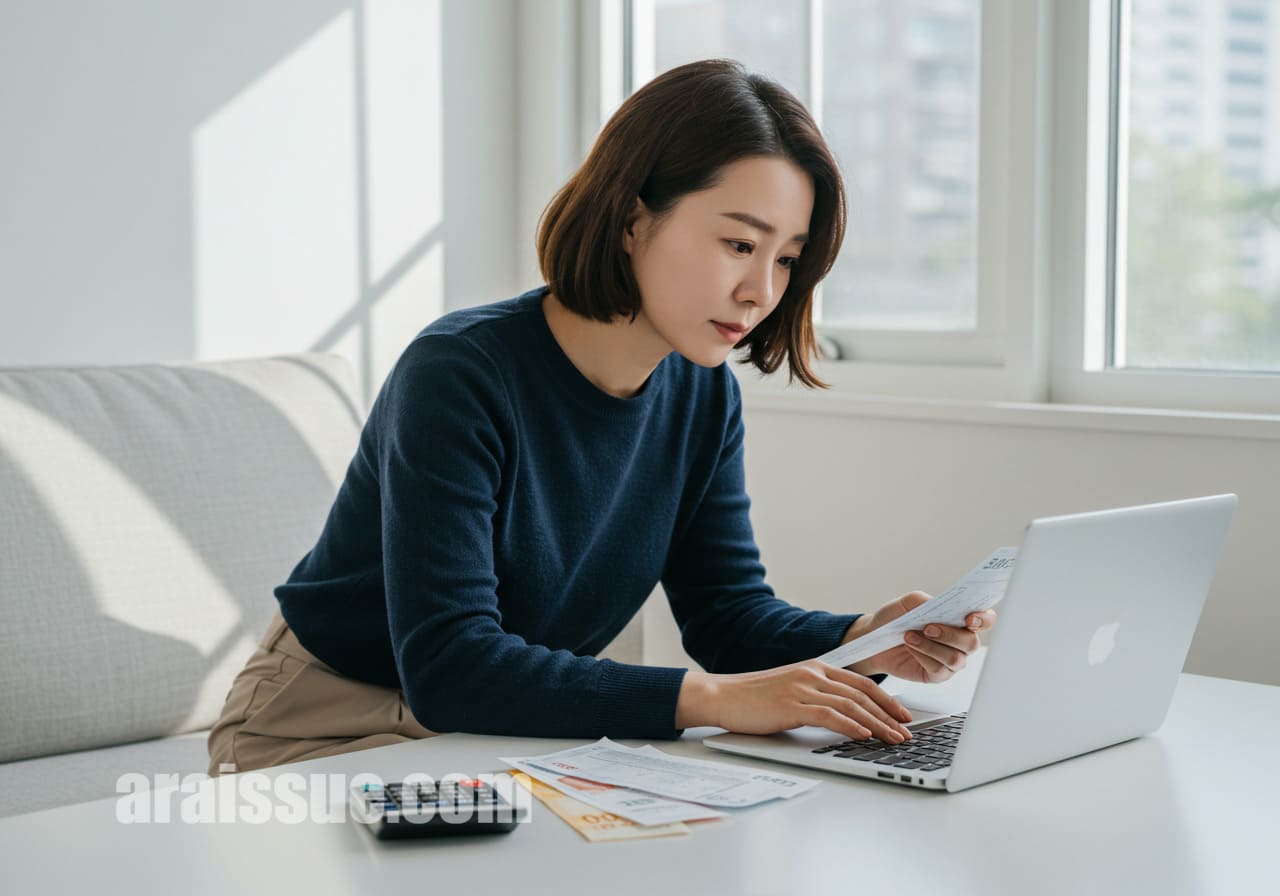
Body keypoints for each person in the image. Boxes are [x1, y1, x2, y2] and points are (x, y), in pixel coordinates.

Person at [207, 58, 996, 776]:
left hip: (495, 729)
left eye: (786, 258)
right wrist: (717, 700)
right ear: (631, 220)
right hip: (324, 723)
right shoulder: (460, 372)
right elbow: (452, 666)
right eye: (737, 243)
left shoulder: (701, 391)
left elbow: (727, 615)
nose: (762, 290)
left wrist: (868, 637)